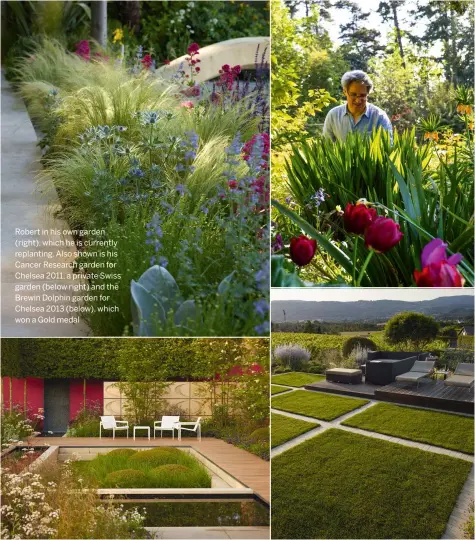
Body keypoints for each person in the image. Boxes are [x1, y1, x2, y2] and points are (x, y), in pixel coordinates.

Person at [323, 70, 393, 143]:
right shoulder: (333, 116)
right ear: (345, 91)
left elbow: (388, 147)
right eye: (353, 94)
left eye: (362, 95)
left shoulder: (379, 117)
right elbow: (327, 147)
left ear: (368, 93)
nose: (358, 100)